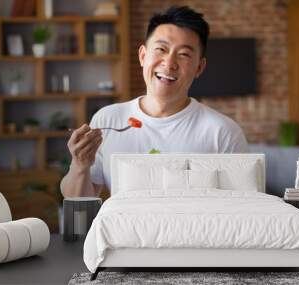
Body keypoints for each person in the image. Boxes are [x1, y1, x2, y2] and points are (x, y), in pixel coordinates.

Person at [61, 6, 248, 198]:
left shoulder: (223, 132)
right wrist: (79, 165)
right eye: (161, 49)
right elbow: (78, 200)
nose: (169, 63)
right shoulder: (108, 120)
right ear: (143, 56)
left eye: (184, 54)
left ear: (199, 67)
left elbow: (243, 208)